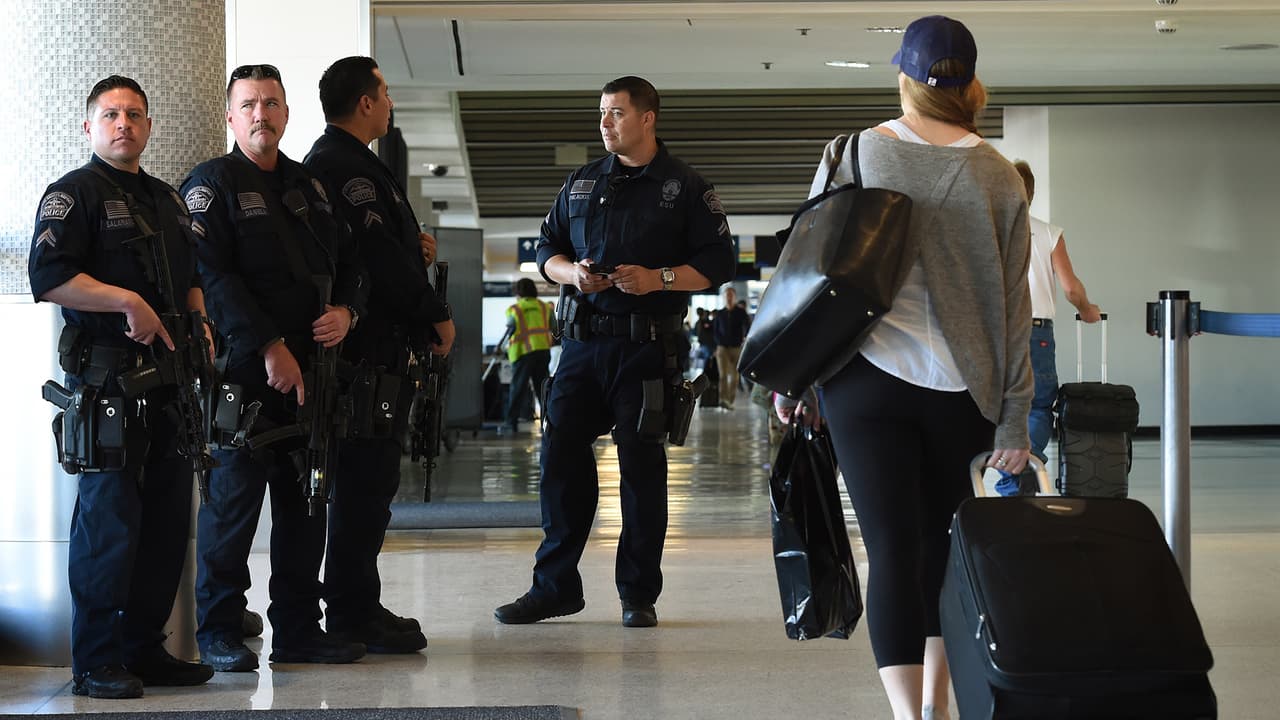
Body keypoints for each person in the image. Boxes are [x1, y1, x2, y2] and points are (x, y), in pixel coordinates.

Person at [776, 16, 1032, 720]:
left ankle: (906, 713)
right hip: (965, 389)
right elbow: (1015, 307)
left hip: (865, 380)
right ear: (970, 83)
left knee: (890, 549)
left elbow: (806, 271)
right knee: (942, 551)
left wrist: (793, 376)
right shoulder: (999, 175)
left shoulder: (855, 151)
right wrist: (1015, 417)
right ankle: (936, 705)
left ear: (905, 76)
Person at [494, 76, 736, 628]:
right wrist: (572, 274)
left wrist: (658, 278)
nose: (605, 123)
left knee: (641, 471)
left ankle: (638, 594)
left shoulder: (685, 186)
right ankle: (554, 588)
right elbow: (547, 249)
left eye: (617, 113)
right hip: (581, 349)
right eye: (602, 112)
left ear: (647, 118)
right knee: (559, 461)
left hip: (646, 350)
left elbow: (717, 263)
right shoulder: (581, 183)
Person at [27, 75, 214, 698]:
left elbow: (192, 276)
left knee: (165, 526)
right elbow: (49, 277)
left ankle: (144, 650)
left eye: (134, 114)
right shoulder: (72, 194)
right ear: (90, 126)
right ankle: (95, 662)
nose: (123, 124)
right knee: (107, 528)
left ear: (149, 126)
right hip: (106, 385)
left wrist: (200, 322)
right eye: (110, 115)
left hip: (170, 384)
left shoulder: (167, 200)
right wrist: (126, 300)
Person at [183, 64, 368, 671]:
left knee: (305, 507)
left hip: (313, 375)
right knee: (232, 510)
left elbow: (352, 263)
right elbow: (212, 278)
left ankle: (298, 630)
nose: (261, 114)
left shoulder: (309, 186)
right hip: (245, 378)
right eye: (249, 105)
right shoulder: (212, 185)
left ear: (287, 113)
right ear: (231, 117)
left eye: (271, 103)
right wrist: (268, 346)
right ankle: (218, 630)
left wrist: (348, 312)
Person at [303, 55, 453, 655]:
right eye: (385, 94)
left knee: (370, 488)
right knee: (363, 488)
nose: (390, 104)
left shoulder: (358, 163)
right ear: (365, 102)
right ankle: (351, 610)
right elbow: (378, 260)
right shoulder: (343, 165)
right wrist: (434, 311)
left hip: (376, 354)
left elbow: (385, 247)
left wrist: (415, 247)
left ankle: (357, 603)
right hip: (365, 357)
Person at [994, 160, 1101, 497]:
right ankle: (1021, 472)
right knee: (1038, 404)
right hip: (1035, 330)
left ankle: (1004, 473)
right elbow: (1071, 288)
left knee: (995, 402)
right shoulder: (1048, 233)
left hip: (995, 329)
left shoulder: (986, 230)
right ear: (1030, 193)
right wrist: (1087, 310)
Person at [500, 277, 553, 434]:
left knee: (517, 389)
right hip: (542, 352)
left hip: (522, 353)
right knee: (542, 390)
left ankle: (511, 424)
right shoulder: (545, 307)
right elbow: (555, 327)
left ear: (518, 292)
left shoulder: (515, 309)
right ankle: (548, 424)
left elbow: (510, 329)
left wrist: (500, 347)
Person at [712, 286, 749, 409]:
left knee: (735, 376)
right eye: (726, 295)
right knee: (722, 375)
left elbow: (747, 326)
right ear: (723, 297)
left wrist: (745, 338)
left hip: (736, 347)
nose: (728, 297)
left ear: (735, 297)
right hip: (722, 348)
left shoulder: (741, 312)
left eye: (731, 295)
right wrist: (717, 344)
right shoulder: (720, 313)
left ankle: (730, 400)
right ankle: (723, 400)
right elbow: (715, 331)